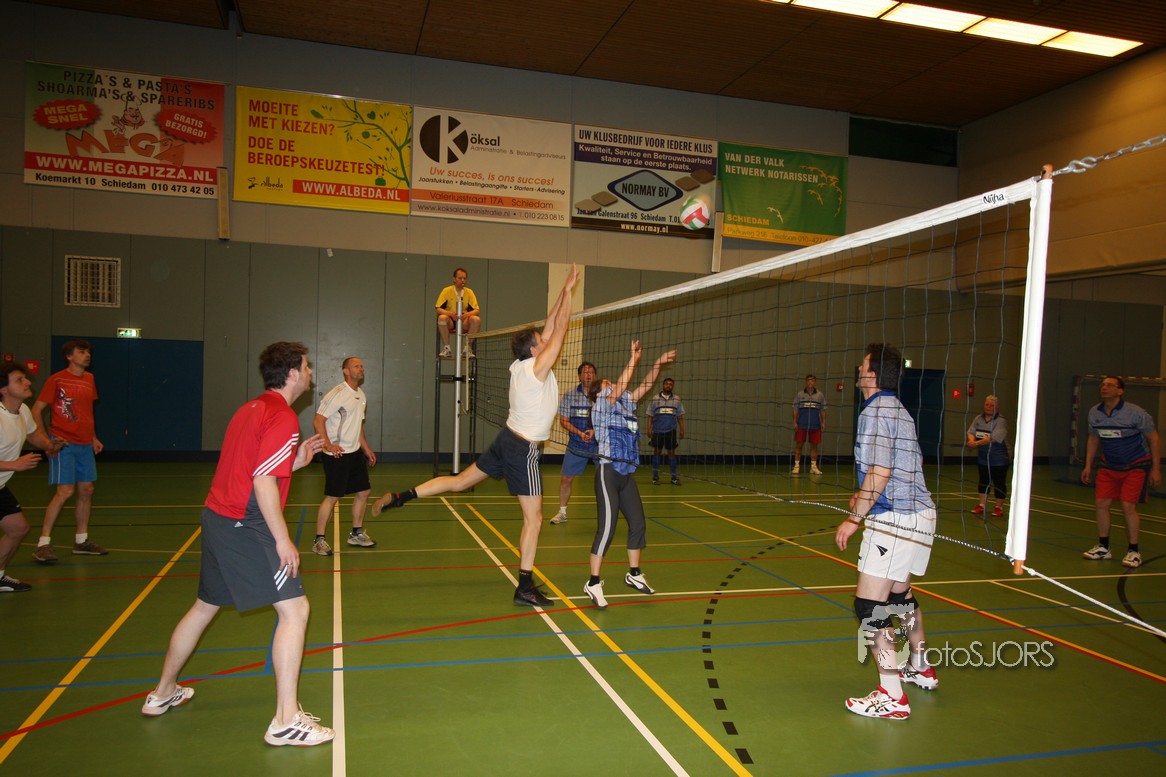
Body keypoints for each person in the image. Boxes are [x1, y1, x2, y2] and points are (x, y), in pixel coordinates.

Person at [142, 342, 334, 746]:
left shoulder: (250, 409)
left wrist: (296, 461)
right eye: (307, 366)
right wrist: (282, 540)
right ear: (292, 373)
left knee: (204, 606)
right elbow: (263, 482)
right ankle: (286, 720)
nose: (310, 372)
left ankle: (162, 692)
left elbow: (254, 467)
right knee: (296, 610)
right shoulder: (283, 417)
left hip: (216, 516)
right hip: (245, 524)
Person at [372, 265, 580, 607]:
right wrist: (569, 294)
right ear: (534, 350)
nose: (545, 341)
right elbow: (560, 328)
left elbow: (551, 323)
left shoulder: (522, 365)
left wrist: (564, 290)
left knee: (459, 482)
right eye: (540, 342)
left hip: (505, 440)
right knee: (535, 519)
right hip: (523, 449)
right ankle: (525, 586)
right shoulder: (537, 368)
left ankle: (401, 496)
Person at [835, 344, 938, 721]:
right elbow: (911, 461)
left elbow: (881, 471)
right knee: (900, 596)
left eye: (862, 364)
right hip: (921, 514)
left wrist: (854, 518)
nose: (858, 368)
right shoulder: (898, 409)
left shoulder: (876, 411)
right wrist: (866, 493)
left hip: (894, 520)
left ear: (872, 374)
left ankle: (891, 695)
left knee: (869, 605)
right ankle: (920, 666)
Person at [583, 342, 675, 608]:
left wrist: (657, 364)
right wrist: (633, 359)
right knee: (607, 529)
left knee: (638, 523)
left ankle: (634, 574)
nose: (613, 385)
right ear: (600, 392)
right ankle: (593, 582)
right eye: (608, 384)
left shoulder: (625, 406)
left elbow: (645, 386)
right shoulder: (600, 407)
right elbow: (621, 386)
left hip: (626, 474)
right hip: (607, 472)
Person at [30, 339, 107, 564]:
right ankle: (43, 544)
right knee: (65, 492)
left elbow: (87, 411)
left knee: (87, 490)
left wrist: (93, 437)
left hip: (85, 444)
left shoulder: (90, 379)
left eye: (88, 352)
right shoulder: (56, 380)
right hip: (63, 443)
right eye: (81, 352)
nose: (87, 355)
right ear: (69, 356)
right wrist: (47, 442)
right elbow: (36, 410)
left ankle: (81, 541)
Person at [1080, 376, 1161, 569]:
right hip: (1109, 466)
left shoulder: (1135, 413)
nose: (1104, 387)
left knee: (1127, 506)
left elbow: (1154, 439)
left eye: (1110, 385)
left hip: (1136, 465)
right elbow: (1093, 438)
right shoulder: (1094, 412)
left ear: (1120, 391)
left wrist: (1156, 469)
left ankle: (1134, 551)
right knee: (1101, 503)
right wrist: (1088, 465)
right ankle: (1103, 547)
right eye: (1103, 385)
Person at [0, 364, 61, 592]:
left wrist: (50, 445)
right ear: (3, 389)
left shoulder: (23, 410)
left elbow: (33, 434)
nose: (27, 382)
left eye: (25, 378)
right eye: (19, 380)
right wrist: (14, 465)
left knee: (18, 528)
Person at [312, 356, 377, 556]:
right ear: (346, 371)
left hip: (354, 452)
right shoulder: (337, 393)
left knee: (364, 491)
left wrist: (366, 449)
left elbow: (358, 426)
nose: (361, 369)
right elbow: (318, 420)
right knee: (332, 497)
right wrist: (328, 444)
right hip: (337, 454)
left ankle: (356, 533)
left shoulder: (361, 395)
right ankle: (319, 540)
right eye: (356, 366)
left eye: (362, 366)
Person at [552, 361, 597, 525]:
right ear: (579, 376)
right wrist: (579, 433)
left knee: (606, 479)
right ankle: (562, 513)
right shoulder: (569, 396)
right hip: (576, 444)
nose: (588, 374)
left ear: (595, 376)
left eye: (591, 372)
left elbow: (607, 419)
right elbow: (564, 420)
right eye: (585, 372)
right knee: (566, 479)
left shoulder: (603, 396)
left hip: (599, 445)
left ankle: (608, 512)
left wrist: (595, 431)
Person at [966, 395, 1010, 517]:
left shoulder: (1001, 421)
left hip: (999, 459)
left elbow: (994, 438)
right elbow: (971, 431)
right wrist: (971, 440)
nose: (988, 407)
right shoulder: (978, 418)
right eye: (987, 405)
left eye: (992, 405)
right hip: (983, 458)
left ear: (997, 407)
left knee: (999, 483)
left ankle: (998, 507)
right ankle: (982, 505)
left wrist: (976, 443)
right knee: (983, 482)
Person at [435, 267, 482, 358]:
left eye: (464, 278)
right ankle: (447, 348)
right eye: (460, 278)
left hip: (463, 320)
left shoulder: (469, 292)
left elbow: (477, 310)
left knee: (476, 320)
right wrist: (451, 314)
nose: (462, 280)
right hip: (451, 320)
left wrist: (467, 315)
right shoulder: (446, 291)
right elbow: (438, 308)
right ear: (454, 279)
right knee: (441, 318)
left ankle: (467, 348)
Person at [646, 377, 685, 485]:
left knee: (671, 453)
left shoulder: (677, 399)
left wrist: (682, 429)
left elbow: (680, 416)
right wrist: (649, 428)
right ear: (663, 385)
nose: (668, 386)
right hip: (657, 431)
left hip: (671, 431)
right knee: (657, 452)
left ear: (672, 386)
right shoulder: (655, 399)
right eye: (666, 384)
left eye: (670, 384)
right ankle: (655, 477)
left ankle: (673, 478)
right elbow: (650, 416)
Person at [793, 374, 826, 475]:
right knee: (799, 444)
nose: (810, 382)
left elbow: (822, 410)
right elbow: (796, 409)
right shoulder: (800, 394)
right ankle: (796, 466)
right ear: (806, 381)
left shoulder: (820, 395)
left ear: (815, 382)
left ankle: (813, 467)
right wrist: (795, 422)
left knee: (814, 446)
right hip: (802, 423)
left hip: (815, 424)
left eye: (812, 380)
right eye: (808, 380)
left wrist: (823, 422)